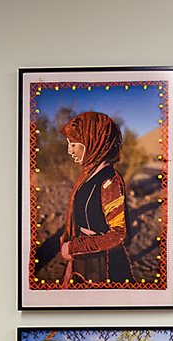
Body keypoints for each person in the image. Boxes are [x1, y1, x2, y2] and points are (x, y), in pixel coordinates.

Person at [59, 111, 134, 287]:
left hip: (104, 266)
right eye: (69, 144)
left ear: (93, 143)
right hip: (86, 261)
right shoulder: (87, 176)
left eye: (74, 144)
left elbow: (118, 234)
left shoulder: (110, 181)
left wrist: (74, 247)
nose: (69, 151)